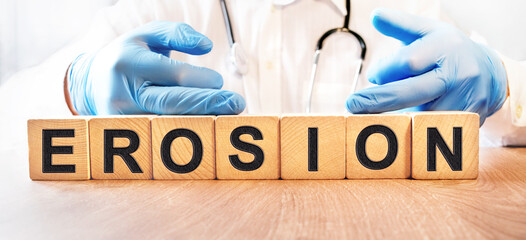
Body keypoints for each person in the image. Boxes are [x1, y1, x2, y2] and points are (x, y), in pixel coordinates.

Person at [1, 0, 525, 147]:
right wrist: (76, 86)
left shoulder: (405, 10)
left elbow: (503, 103)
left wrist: (500, 86)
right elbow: (10, 110)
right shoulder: (153, 9)